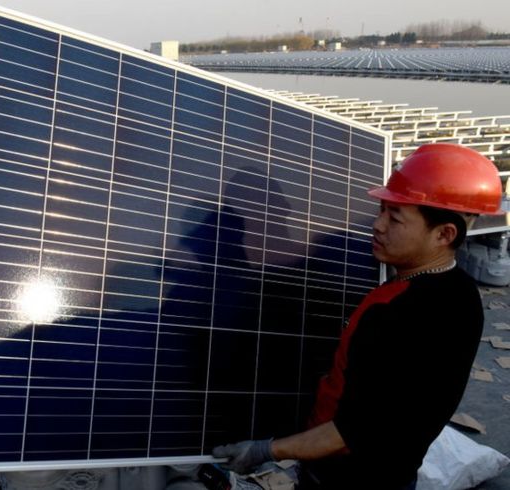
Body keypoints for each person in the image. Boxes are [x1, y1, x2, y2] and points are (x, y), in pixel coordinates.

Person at [212, 143, 504, 489]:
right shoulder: (447, 287)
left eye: (394, 218)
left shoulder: (421, 313)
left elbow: (356, 429)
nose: (377, 225)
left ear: (444, 234)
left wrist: (266, 450)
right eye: (381, 210)